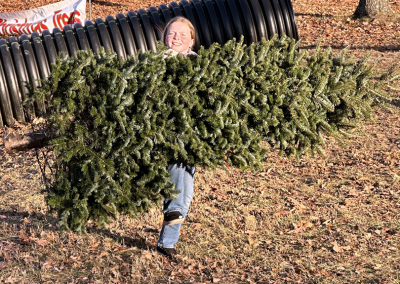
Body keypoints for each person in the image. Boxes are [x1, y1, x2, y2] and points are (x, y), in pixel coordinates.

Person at [156, 16, 197, 260]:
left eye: (183, 34)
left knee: (187, 193)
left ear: (191, 39)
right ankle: (168, 241)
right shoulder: (156, 65)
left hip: (192, 139)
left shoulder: (199, 66)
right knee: (178, 187)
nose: (177, 38)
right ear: (164, 38)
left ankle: (166, 242)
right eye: (172, 34)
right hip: (168, 137)